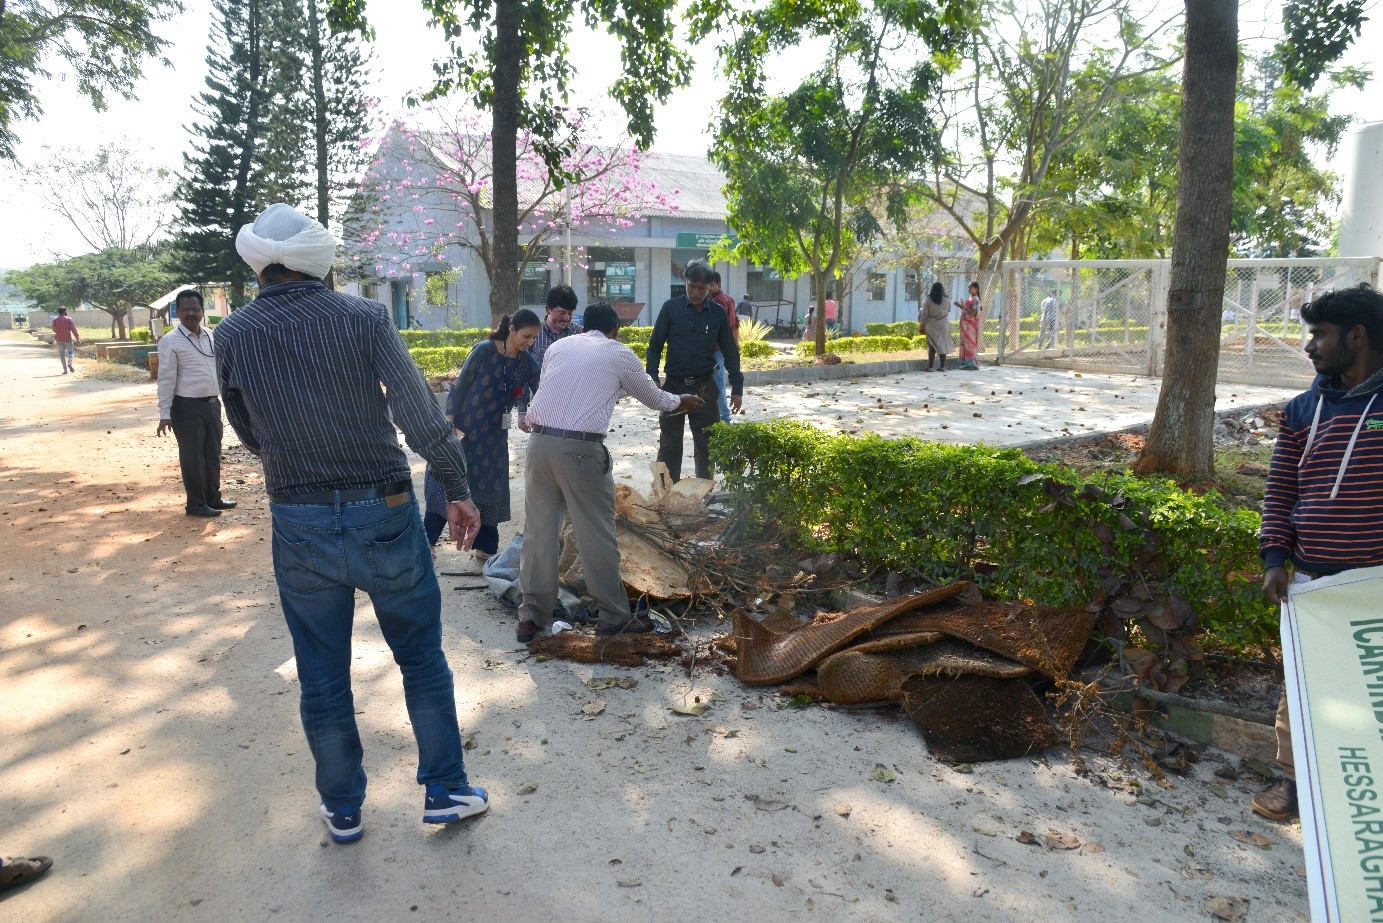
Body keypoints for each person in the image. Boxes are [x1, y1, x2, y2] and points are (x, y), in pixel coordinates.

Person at [215, 203, 488, 844]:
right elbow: (422, 416)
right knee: (421, 659)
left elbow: (246, 429)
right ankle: (447, 790)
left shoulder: (231, 335)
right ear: (319, 259)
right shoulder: (364, 318)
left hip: (298, 518)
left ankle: (343, 808)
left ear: (259, 263)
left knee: (321, 672)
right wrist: (458, 489)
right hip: (386, 511)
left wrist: (293, 458)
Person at [1253, 284, 1383, 823]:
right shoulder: (1303, 409)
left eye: (1318, 334)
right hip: (1310, 581)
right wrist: (1275, 560)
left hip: (1374, 583)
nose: (1309, 346)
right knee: (1303, 688)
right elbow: (1280, 491)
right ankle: (1295, 785)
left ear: (1357, 335)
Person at [516, 302, 704, 642]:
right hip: (581, 451)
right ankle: (613, 616)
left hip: (539, 445)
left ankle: (531, 617)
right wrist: (683, 401)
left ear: (583, 324)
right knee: (596, 534)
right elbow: (655, 398)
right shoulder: (620, 353)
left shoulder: (558, 347)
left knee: (539, 534)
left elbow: (568, 391)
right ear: (614, 329)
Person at [422, 310, 541, 558]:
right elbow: (460, 386)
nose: (529, 343)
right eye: (526, 336)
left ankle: (485, 547)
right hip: (464, 432)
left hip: (495, 439)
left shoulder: (526, 362)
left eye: (533, 339)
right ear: (511, 329)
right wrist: (449, 423)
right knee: (448, 482)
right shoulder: (484, 351)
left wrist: (532, 414)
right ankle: (427, 542)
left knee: (490, 488)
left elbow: (542, 391)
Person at [645, 260, 743, 482]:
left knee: (706, 446)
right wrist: (652, 376)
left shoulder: (717, 313)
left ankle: (704, 493)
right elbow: (654, 346)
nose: (696, 292)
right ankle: (667, 494)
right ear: (685, 283)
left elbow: (730, 350)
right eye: (692, 286)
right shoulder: (670, 309)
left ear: (710, 286)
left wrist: (737, 386)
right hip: (673, 387)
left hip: (704, 388)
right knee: (669, 446)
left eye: (701, 288)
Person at [156, 290, 233, 518]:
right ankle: (196, 504)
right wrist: (164, 412)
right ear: (178, 312)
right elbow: (165, 378)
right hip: (186, 407)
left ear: (202, 311)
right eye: (186, 310)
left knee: (212, 453)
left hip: (212, 404)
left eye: (195, 309)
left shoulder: (210, 335)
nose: (191, 313)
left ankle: (213, 498)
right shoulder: (170, 341)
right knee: (192, 457)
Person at [708, 270, 740, 425]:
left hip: (716, 349)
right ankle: (719, 416)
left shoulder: (717, 302)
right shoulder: (729, 299)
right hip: (724, 348)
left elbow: (717, 328)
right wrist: (736, 343)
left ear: (718, 285)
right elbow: (737, 324)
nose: (707, 288)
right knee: (717, 382)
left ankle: (724, 417)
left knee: (718, 382)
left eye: (711, 285)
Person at [530, 284, 582, 366]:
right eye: (562, 313)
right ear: (548, 310)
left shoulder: (580, 333)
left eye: (570, 313)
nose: (566, 318)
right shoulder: (534, 334)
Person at [920, 281, 953, 372]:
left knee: (932, 345)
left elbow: (924, 315)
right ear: (942, 290)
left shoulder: (928, 300)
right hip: (943, 324)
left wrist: (922, 326)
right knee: (943, 345)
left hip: (931, 325)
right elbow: (949, 310)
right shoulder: (946, 300)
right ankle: (942, 367)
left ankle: (930, 367)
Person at [955, 281, 983, 370]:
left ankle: (972, 364)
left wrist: (962, 306)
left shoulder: (975, 299)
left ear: (976, 289)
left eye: (971, 287)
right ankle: (968, 363)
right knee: (967, 343)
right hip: (966, 324)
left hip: (970, 325)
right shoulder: (971, 298)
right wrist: (960, 306)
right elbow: (967, 310)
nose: (969, 289)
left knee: (970, 343)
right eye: (968, 287)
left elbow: (973, 313)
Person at [51, 307, 79, 374]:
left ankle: (65, 370)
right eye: (66, 311)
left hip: (59, 339)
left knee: (62, 354)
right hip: (68, 339)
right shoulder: (68, 319)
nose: (67, 312)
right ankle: (69, 363)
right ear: (64, 312)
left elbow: (54, 330)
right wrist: (78, 338)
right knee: (70, 352)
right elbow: (74, 329)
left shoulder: (55, 320)